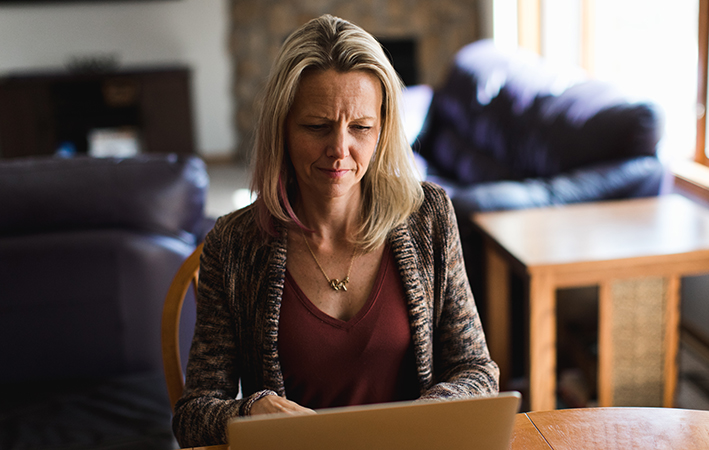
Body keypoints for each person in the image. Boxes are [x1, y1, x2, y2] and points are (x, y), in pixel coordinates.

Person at [172, 14, 499, 447]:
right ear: (282, 128)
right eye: (317, 127)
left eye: (361, 127)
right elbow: (193, 417)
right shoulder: (232, 246)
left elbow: (477, 371)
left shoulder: (428, 215)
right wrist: (252, 408)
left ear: (382, 130)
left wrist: (417, 423)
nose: (340, 151)